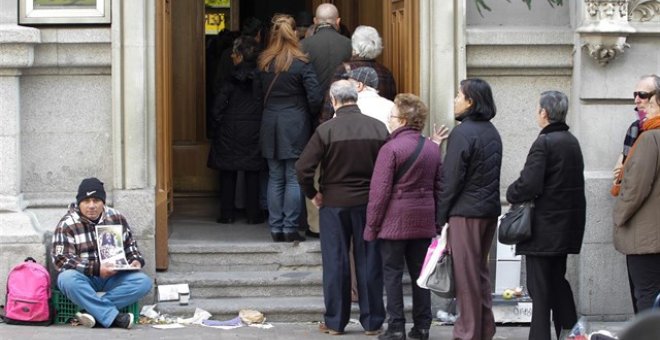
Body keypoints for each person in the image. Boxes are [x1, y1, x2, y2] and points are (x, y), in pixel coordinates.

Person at [296, 80, 388, 336]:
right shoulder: (378, 128)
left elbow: (302, 168)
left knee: (336, 262)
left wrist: (313, 194)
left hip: (334, 204)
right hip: (369, 203)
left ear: (334, 100)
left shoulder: (326, 130)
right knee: (369, 260)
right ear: (355, 98)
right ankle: (373, 322)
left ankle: (336, 322)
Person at [506, 91, 586, 340]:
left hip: (543, 229)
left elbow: (529, 184)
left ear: (544, 113)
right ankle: (572, 331)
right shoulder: (571, 141)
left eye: (537, 109)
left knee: (539, 291)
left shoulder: (544, 143)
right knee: (556, 281)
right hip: (565, 227)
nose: (536, 113)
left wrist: (511, 191)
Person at [363, 94, 441, 340]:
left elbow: (379, 192)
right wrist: (438, 222)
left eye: (393, 116)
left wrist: (371, 227)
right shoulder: (432, 148)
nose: (389, 119)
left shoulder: (391, 149)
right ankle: (422, 327)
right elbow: (441, 188)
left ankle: (396, 327)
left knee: (393, 274)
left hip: (395, 222)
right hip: (424, 221)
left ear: (404, 120)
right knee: (421, 277)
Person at [436, 78, 501, 340]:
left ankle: (468, 332)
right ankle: (483, 329)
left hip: (466, 213)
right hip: (486, 211)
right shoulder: (491, 131)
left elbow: (451, 180)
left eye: (458, 95)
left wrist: (440, 217)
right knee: (479, 274)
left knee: (466, 276)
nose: (454, 99)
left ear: (470, 101)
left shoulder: (462, 133)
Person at [51, 178, 152, 329]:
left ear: (103, 202)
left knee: (144, 282)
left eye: (96, 200)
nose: (91, 206)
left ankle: (91, 311)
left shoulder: (116, 217)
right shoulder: (67, 224)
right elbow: (61, 260)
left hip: (114, 275)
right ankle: (114, 317)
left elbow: (131, 246)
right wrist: (97, 268)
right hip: (85, 277)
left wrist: (135, 260)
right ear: (79, 202)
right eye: (86, 201)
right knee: (66, 279)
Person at [258, 14, 322, 242]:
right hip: (295, 122)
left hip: (269, 122)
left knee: (275, 176)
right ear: (295, 33)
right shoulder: (301, 62)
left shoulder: (264, 62)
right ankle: (290, 227)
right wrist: (305, 113)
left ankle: (275, 228)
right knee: (293, 177)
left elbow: (257, 97)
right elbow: (315, 97)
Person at [611, 74, 659, 313]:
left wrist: (619, 215)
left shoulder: (650, 137)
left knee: (645, 296)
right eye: (636, 96)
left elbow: (636, 186)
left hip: (647, 236)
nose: (639, 103)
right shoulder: (638, 130)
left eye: (646, 97)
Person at [207, 36, 265, 225]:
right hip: (254, 129)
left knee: (227, 173)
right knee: (252, 173)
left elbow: (218, 107)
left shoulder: (229, 79)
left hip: (229, 130)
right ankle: (253, 215)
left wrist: (215, 128)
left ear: (240, 56)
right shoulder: (261, 78)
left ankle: (227, 214)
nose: (231, 56)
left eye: (234, 53)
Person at [319, 25, 397, 123]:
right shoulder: (386, 73)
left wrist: (324, 127)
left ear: (354, 46)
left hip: (349, 127)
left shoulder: (343, 70)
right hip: (380, 129)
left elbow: (330, 105)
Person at [301, 3, 352, 98]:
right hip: (341, 103)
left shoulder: (303, 45)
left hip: (312, 106)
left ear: (315, 21)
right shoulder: (349, 44)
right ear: (338, 21)